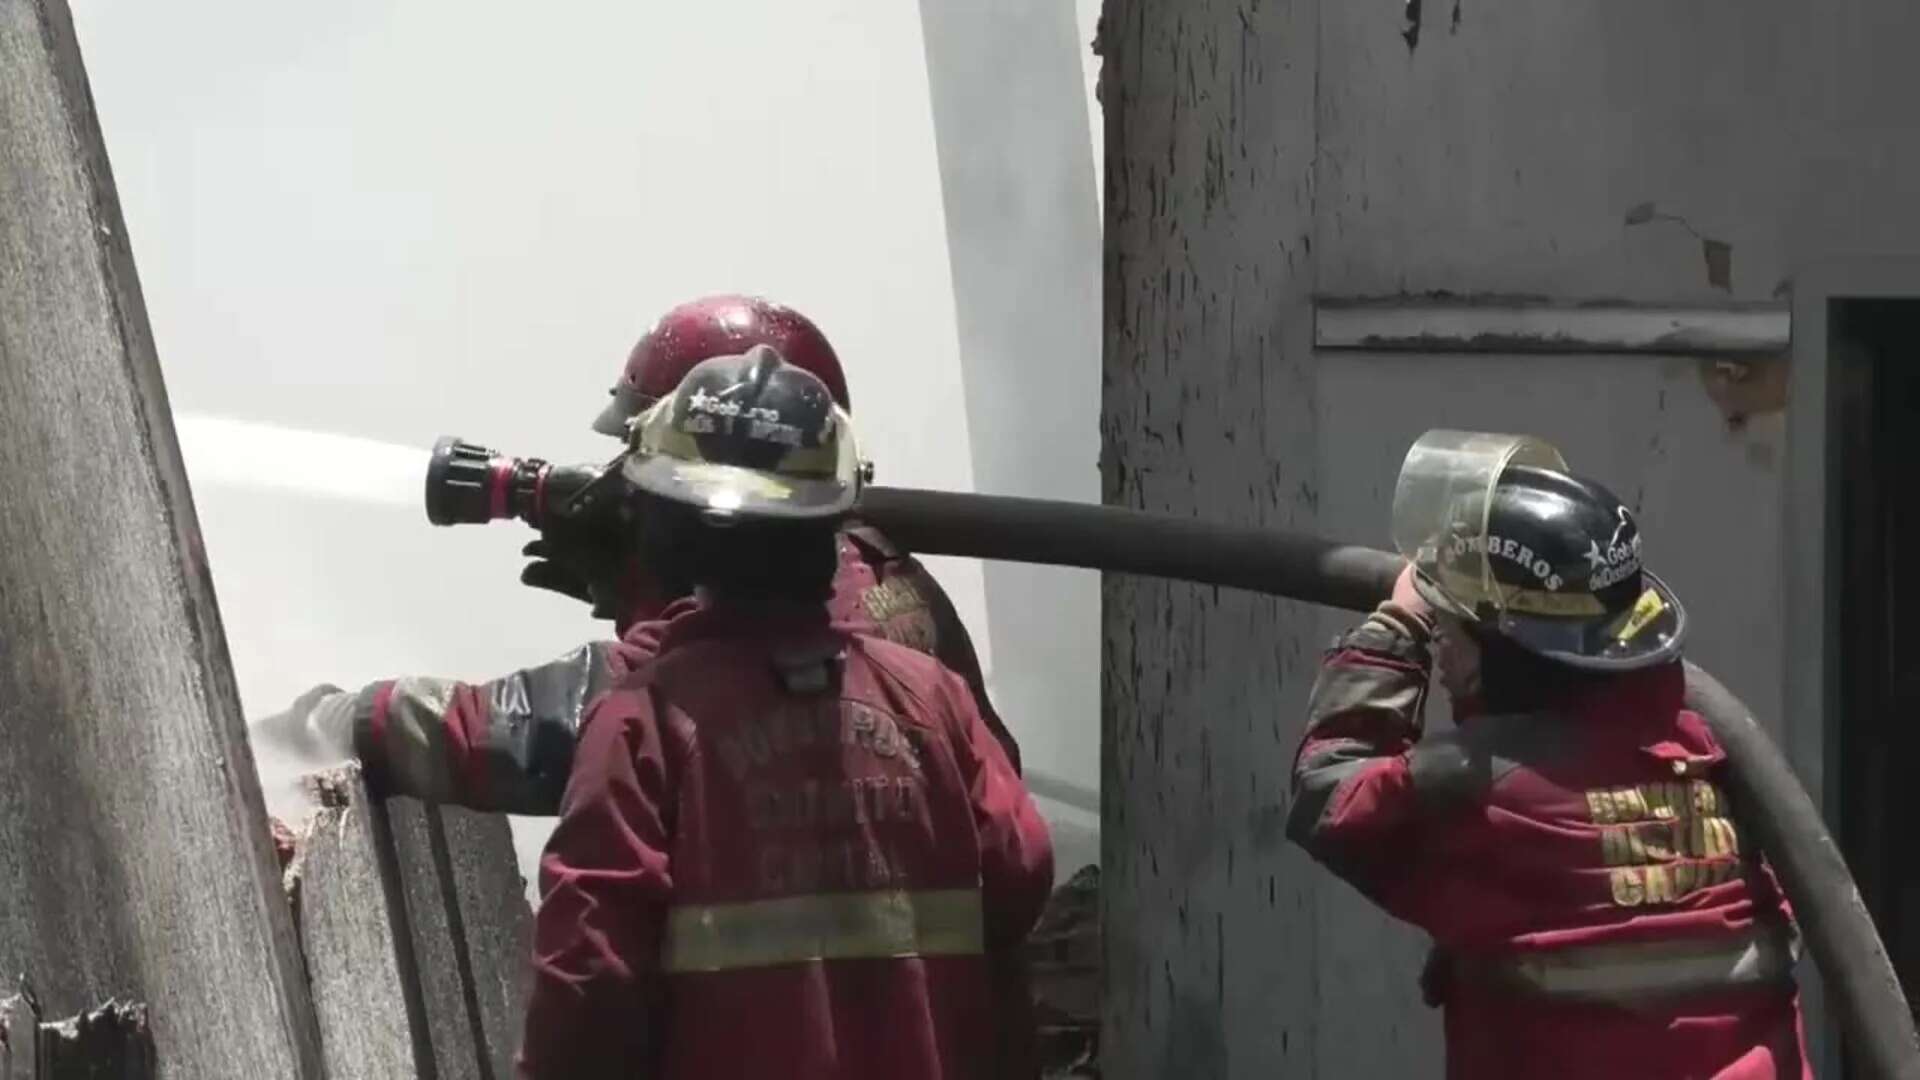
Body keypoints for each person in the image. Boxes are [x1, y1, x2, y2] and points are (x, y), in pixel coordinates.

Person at [256, 293, 1017, 817]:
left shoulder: (706, 660)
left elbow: (522, 729)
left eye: (648, 452)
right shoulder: (883, 577)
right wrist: (647, 586)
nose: (633, 479)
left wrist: (320, 724)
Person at [517, 346, 1052, 1078]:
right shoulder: (933, 700)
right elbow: (1020, 875)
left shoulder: (643, 727)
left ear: (666, 526)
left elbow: (590, 976)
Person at [1287, 459, 1812, 1079]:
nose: (1441, 647)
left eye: (1449, 626)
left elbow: (1332, 794)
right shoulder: (1707, 751)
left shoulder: (1485, 789)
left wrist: (1395, 627)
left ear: (1507, 648)